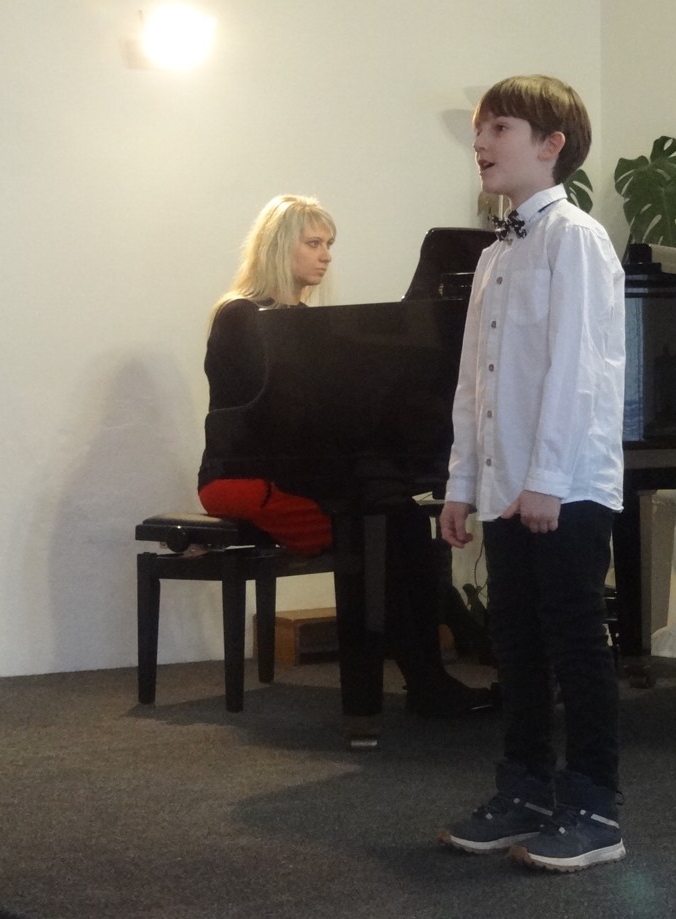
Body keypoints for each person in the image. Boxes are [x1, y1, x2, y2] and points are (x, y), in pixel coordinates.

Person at [197, 194, 492, 717]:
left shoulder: (301, 320)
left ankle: (435, 673)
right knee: (381, 528)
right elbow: (266, 421)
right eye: (313, 243)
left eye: (328, 244)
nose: (326, 255)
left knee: (400, 519)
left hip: (297, 469)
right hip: (243, 475)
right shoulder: (240, 316)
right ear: (278, 246)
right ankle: (430, 676)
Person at [435, 76, 628, 871]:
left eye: (499, 128)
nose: (480, 142)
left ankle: (594, 806)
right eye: (479, 129)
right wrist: (461, 482)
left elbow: (579, 369)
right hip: (506, 481)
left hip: (564, 483)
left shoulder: (573, 237)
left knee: (574, 640)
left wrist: (546, 475)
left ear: (551, 145)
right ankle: (523, 789)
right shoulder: (495, 252)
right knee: (513, 640)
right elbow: (473, 383)